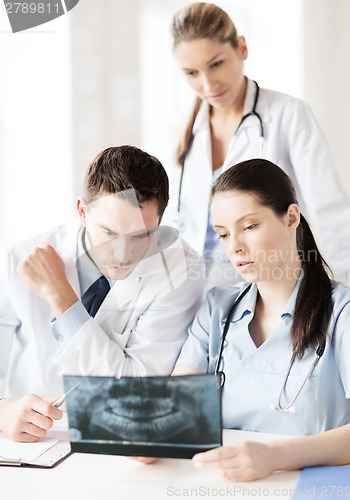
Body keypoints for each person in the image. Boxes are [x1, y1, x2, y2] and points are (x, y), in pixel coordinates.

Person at [169, 159, 350, 481]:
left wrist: (274, 458)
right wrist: (145, 437)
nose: (235, 247)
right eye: (223, 235)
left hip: (314, 485)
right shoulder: (216, 309)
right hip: (224, 484)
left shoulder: (347, 312)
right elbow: (172, 409)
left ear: (291, 218)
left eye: (249, 227)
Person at [163, 1, 350, 305]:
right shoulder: (183, 129)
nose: (207, 84)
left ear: (241, 48)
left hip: (275, 289)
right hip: (201, 296)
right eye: (191, 73)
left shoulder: (288, 115)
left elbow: (333, 216)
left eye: (216, 64)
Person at [0, 145, 204, 443]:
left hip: (124, 442)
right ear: (82, 211)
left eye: (141, 236)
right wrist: (3, 412)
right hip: (31, 442)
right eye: (109, 233)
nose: (123, 255)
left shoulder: (182, 271)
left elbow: (137, 391)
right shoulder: (20, 258)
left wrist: (62, 298)